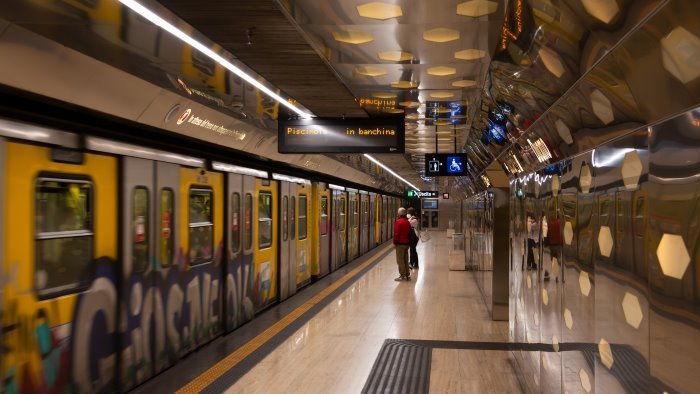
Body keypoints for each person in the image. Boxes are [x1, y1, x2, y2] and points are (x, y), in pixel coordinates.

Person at [393, 207, 411, 281]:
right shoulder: (407, 222)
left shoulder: (399, 222)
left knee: (400, 260)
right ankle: (407, 275)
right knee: (405, 259)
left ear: (399, 214)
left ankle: (402, 275)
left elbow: (396, 233)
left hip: (400, 244)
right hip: (407, 243)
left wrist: (394, 242)